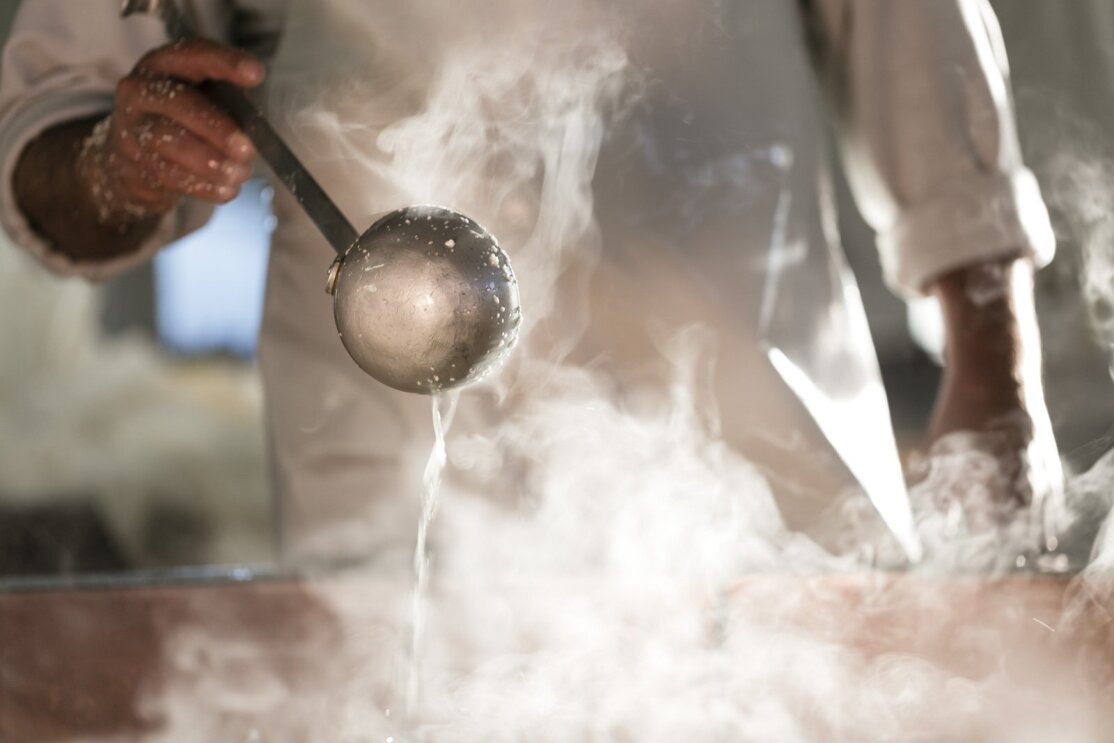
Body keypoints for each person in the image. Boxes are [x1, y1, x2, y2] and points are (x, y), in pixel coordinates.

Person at [0, 0, 1061, 563]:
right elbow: (46, 135)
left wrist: (996, 372)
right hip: (395, 475)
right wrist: (112, 160)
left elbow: (916, 32)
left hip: (763, 424)